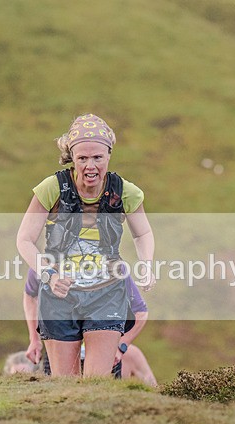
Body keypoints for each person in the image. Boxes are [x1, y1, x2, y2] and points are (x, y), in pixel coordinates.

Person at [16, 113, 155, 377]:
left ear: (109, 156)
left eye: (97, 158)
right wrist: (48, 275)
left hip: (106, 293)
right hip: (59, 295)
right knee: (65, 384)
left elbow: (143, 233)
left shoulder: (126, 192)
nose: (90, 166)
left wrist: (146, 264)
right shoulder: (52, 189)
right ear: (72, 158)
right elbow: (24, 239)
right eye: (82, 158)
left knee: (96, 382)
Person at [23, 269, 157, 386]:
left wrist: (120, 347)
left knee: (98, 394)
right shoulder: (43, 261)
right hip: (60, 337)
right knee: (62, 393)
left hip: (102, 339)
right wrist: (34, 339)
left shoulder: (112, 263)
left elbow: (140, 311)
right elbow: (30, 294)